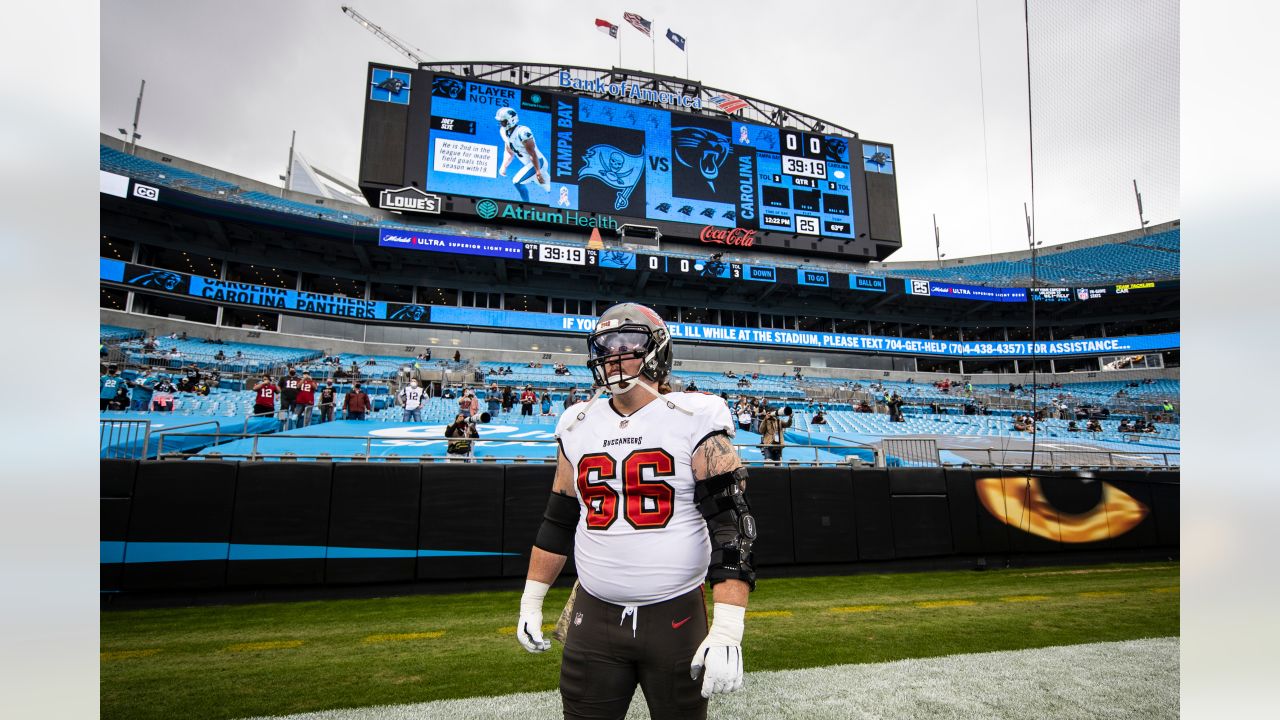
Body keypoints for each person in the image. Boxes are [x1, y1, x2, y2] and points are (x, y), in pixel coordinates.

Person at [516, 303, 757, 718]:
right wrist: (531, 600)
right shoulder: (576, 423)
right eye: (606, 345)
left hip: (675, 616)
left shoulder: (694, 415)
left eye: (628, 343)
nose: (614, 354)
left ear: (657, 351)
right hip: (594, 616)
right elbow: (558, 519)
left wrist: (729, 628)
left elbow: (732, 524)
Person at [495, 107, 550, 202]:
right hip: (530, 166)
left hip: (538, 163)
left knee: (517, 181)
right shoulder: (504, 132)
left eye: (503, 121)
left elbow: (532, 153)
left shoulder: (522, 132)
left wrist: (538, 172)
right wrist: (504, 166)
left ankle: (526, 206)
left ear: (510, 120)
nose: (501, 124)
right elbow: (509, 150)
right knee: (551, 190)